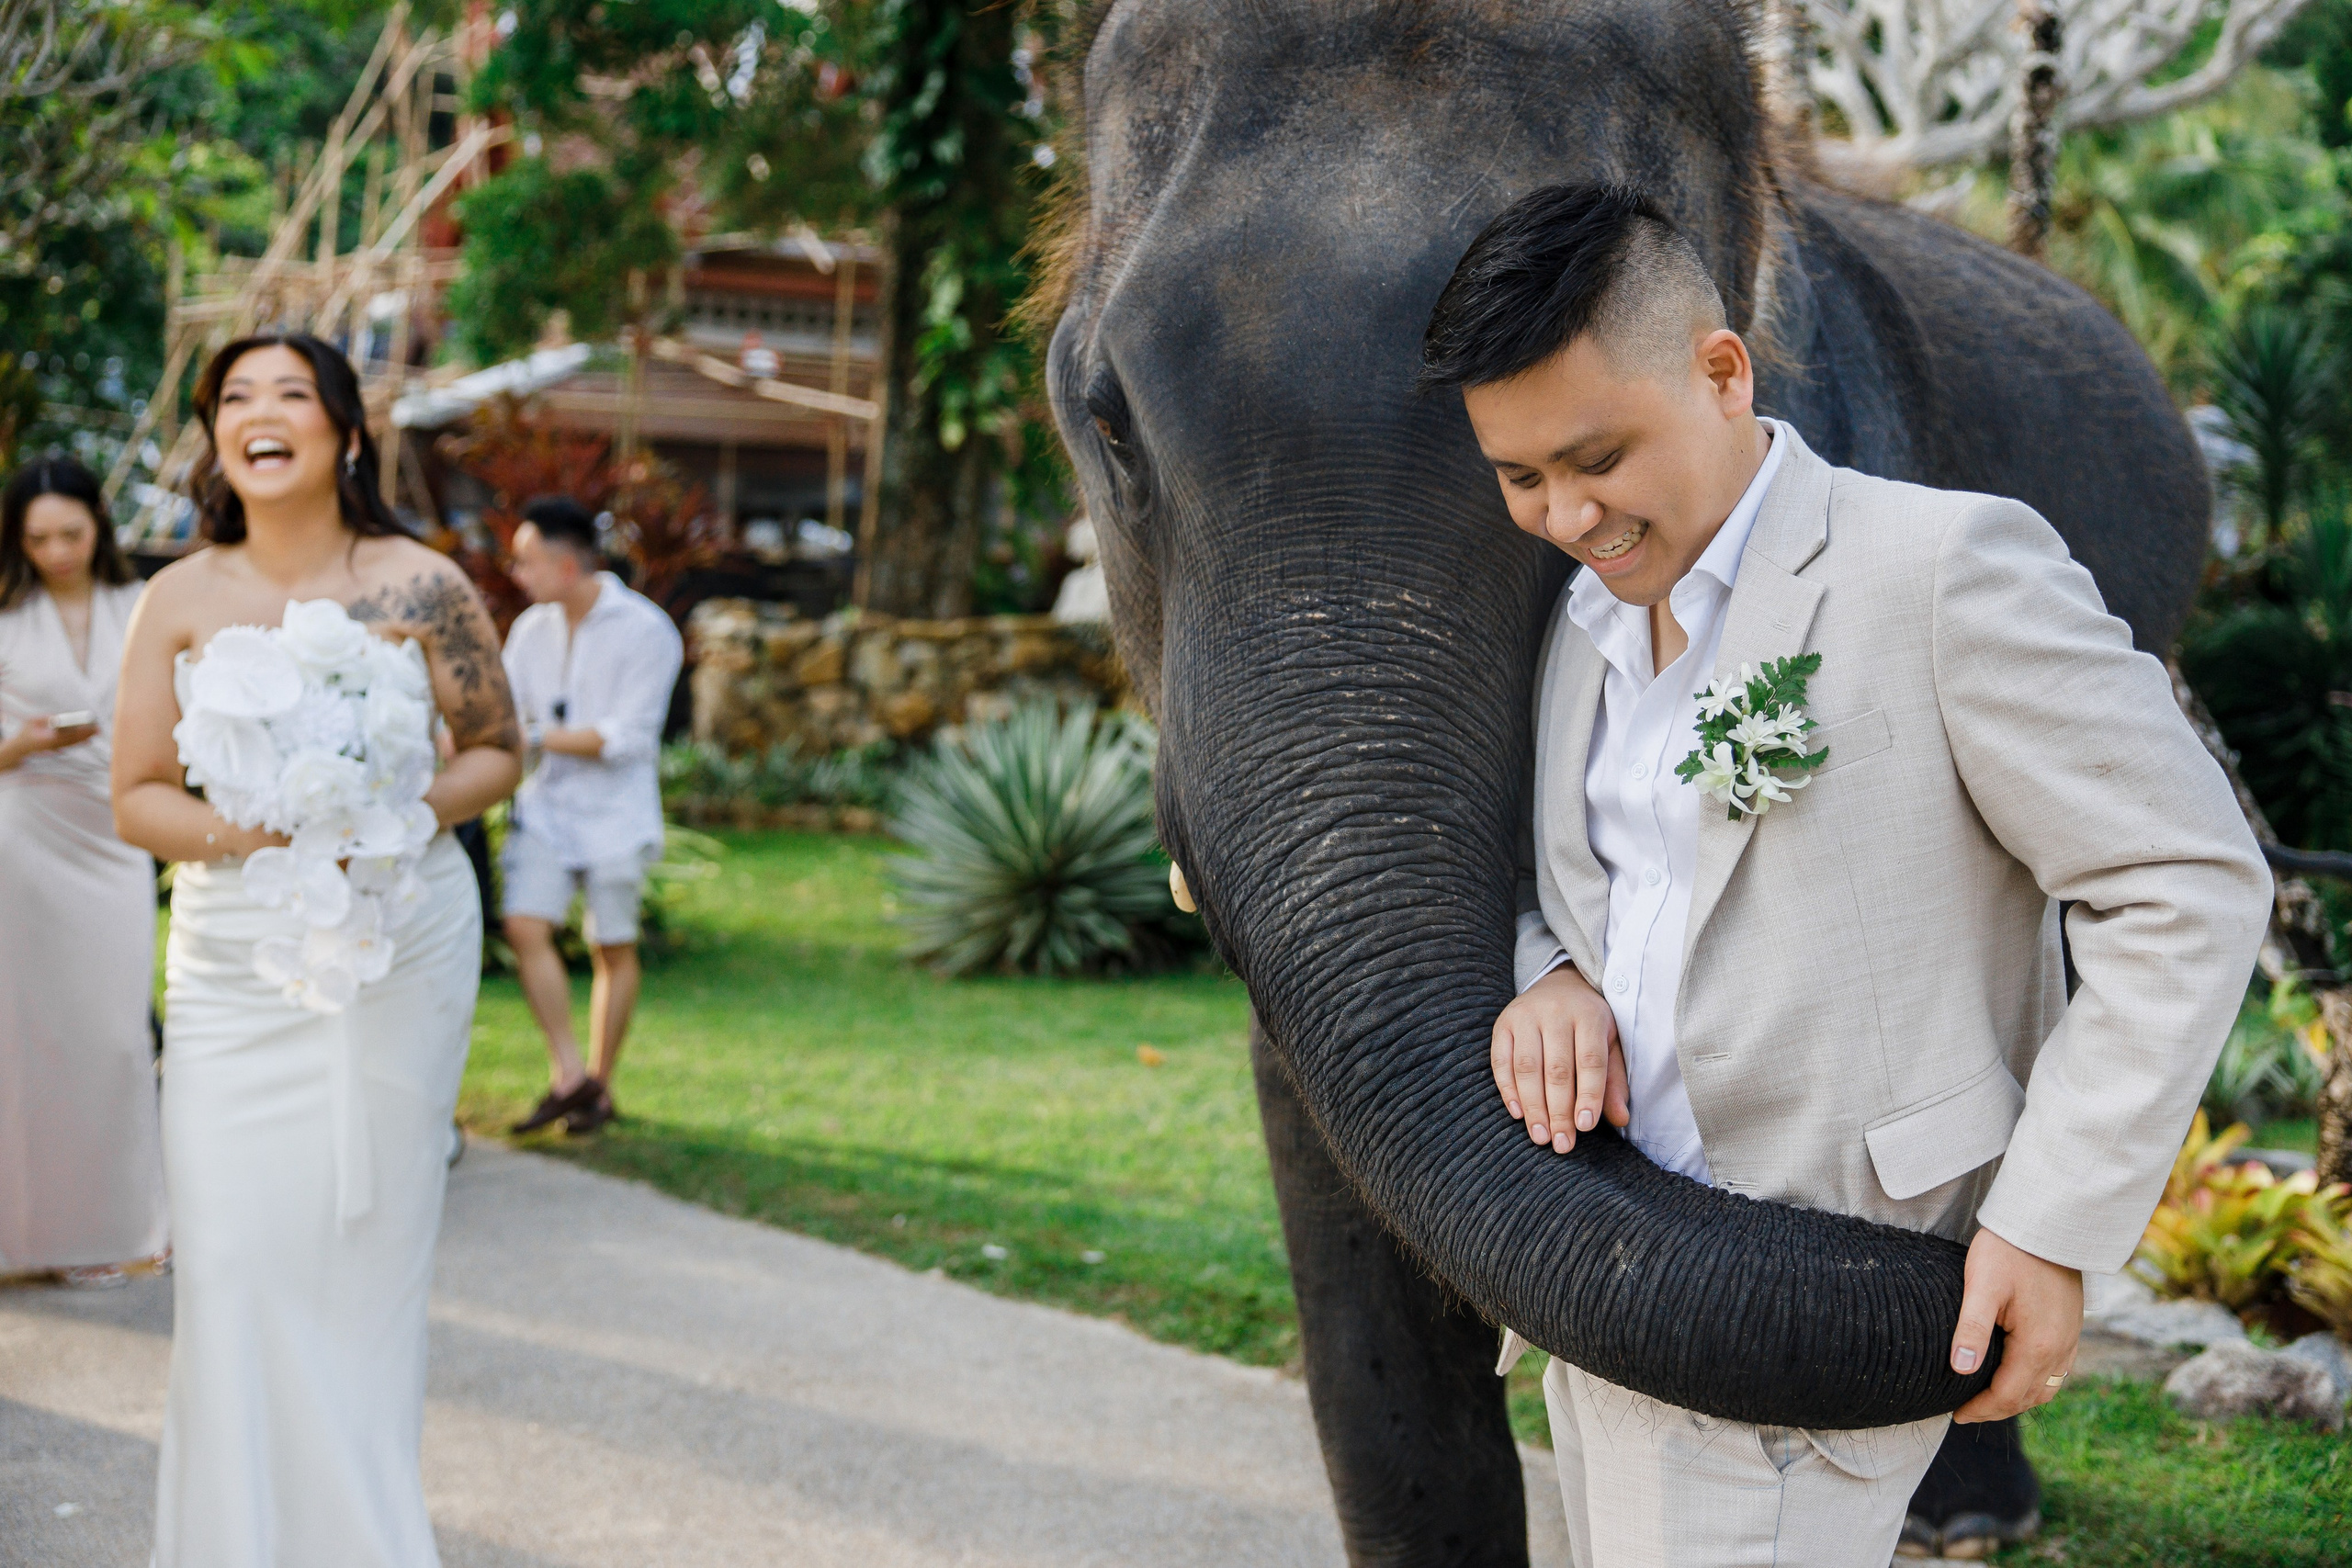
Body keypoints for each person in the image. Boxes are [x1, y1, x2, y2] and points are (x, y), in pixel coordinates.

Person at [1419, 185, 2268, 1566]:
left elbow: (2188, 878)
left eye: (1597, 457)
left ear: (1721, 370)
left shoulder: (1946, 569)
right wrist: (1549, 969)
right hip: (1611, 1284)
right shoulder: (1582, 617)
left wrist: (2050, 1224)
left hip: (1817, 1303)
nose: (1567, 513)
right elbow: (1572, 872)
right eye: (1520, 477)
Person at [111, 332, 523, 1567]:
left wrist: (386, 817)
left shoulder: (420, 583)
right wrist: (258, 831)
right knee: (233, 1262)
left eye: (293, 392)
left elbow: (497, 749)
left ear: (345, 430)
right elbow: (136, 794)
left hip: (400, 941)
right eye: (236, 397)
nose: (262, 412)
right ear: (218, 439)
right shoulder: (177, 597)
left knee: (364, 1262)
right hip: (239, 960)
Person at [0, 455, 168, 1289]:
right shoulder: (4, 615)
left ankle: (112, 1224)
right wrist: (23, 743)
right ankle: (22, 1236)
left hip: (117, 830)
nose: (57, 551)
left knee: (110, 1033)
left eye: (71, 532)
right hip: (25, 828)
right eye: (38, 539)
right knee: (24, 1037)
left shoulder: (140, 606)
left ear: (99, 526)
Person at [498, 495, 683, 1136]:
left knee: (612, 945)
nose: (516, 573)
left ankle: (599, 1084)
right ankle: (570, 1074)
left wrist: (536, 739)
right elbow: (507, 720)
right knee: (525, 925)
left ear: (567, 565)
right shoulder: (529, 633)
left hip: (616, 813)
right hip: (547, 809)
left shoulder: (647, 630)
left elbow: (628, 737)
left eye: (525, 560)